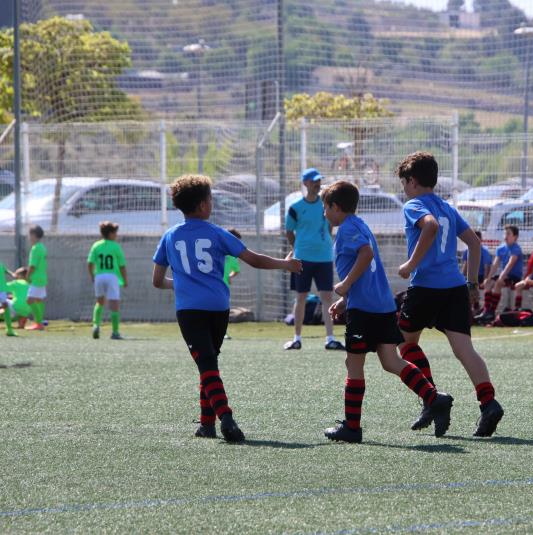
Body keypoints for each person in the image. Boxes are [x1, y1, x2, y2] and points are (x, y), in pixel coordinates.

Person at [152, 174, 302, 443]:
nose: (212, 202)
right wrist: (286, 264)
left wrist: (183, 284)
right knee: (208, 363)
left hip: (190, 310)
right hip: (218, 308)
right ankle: (206, 424)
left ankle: (226, 418)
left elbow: (157, 281)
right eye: (210, 198)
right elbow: (254, 260)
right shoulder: (218, 233)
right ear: (201, 205)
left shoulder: (170, 236)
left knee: (206, 363)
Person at [322, 180, 453, 443]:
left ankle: (352, 427)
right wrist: (346, 299)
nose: (325, 213)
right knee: (390, 361)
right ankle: (434, 398)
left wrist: (345, 285)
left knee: (353, 363)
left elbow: (366, 255)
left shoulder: (348, 229)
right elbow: (367, 272)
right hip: (380, 305)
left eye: (326, 208)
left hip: (366, 309)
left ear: (336, 207)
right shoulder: (361, 225)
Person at [396, 151, 504, 437]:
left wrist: (410, 264)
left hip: (426, 287)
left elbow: (429, 227)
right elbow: (474, 243)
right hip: (454, 287)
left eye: (404, 183)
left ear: (413, 181)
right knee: (464, 350)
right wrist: (471, 284)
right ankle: (488, 403)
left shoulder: (414, 205)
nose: (404, 189)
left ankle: (431, 398)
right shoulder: (446, 207)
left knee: (404, 343)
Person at [284, 167, 344, 351]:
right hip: (302, 258)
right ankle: (297, 338)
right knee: (301, 297)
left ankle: (330, 338)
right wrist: (296, 250)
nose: (317, 184)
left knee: (327, 297)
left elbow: (330, 227)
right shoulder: (295, 208)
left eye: (319, 181)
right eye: (314, 181)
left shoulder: (326, 204)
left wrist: (323, 242)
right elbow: (289, 231)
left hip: (324, 257)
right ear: (305, 183)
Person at [87, 221, 128, 340]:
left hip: (99, 277)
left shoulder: (96, 245)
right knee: (114, 304)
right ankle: (115, 332)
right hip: (112, 277)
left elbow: (89, 263)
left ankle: (96, 325)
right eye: (115, 233)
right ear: (110, 234)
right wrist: (125, 280)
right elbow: (122, 266)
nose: (116, 235)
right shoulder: (115, 246)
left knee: (99, 302)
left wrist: (92, 276)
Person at [477, 225, 523, 321]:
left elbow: (510, 264)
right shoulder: (501, 248)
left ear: (515, 237)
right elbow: (495, 265)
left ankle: (492, 311)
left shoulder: (516, 248)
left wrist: (501, 277)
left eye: (508, 234)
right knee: (488, 283)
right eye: (505, 233)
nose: (505, 236)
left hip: (514, 276)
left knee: (498, 282)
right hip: (504, 275)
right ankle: (486, 310)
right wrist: (488, 278)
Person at [461, 230, 493, 315]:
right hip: (470, 275)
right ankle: (468, 309)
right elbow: (465, 266)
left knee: (473, 285)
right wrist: (461, 278)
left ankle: (477, 308)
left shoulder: (484, 251)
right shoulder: (467, 251)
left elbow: (487, 267)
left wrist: (485, 279)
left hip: (480, 276)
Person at [26, 225, 47, 331]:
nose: (29, 237)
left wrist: (27, 275)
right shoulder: (42, 247)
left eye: (30, 235)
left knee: (29, 300)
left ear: (34, 235)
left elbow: (32, 266)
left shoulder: (35, 248)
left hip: (36, 278)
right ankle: (39, 322)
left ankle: (38, 323)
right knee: (39, 300)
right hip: (42, 277)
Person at [223, 228, 242, 340]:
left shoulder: (231, 255)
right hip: (209, 286)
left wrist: (230, 276)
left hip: (224, 287)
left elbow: (236, 270)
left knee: (223, 310)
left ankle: (223, 332)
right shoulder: (214, 250)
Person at [0, 262, 15, 336]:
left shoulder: (1, 264)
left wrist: (12, 274)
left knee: (5, 306)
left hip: (2, 289)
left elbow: (5, 270)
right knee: (5, 306)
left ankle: (9, 329)